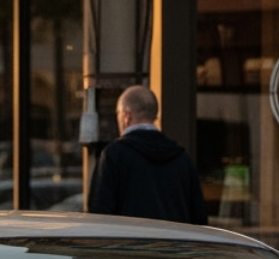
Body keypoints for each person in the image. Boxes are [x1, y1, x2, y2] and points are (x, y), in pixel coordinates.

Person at [88, 85, 208, 225]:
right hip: (175, 245)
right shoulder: (182, 159)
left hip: (129, 244)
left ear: (127, 116)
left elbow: (99, 215)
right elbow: (199, 219)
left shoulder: (114, 156)